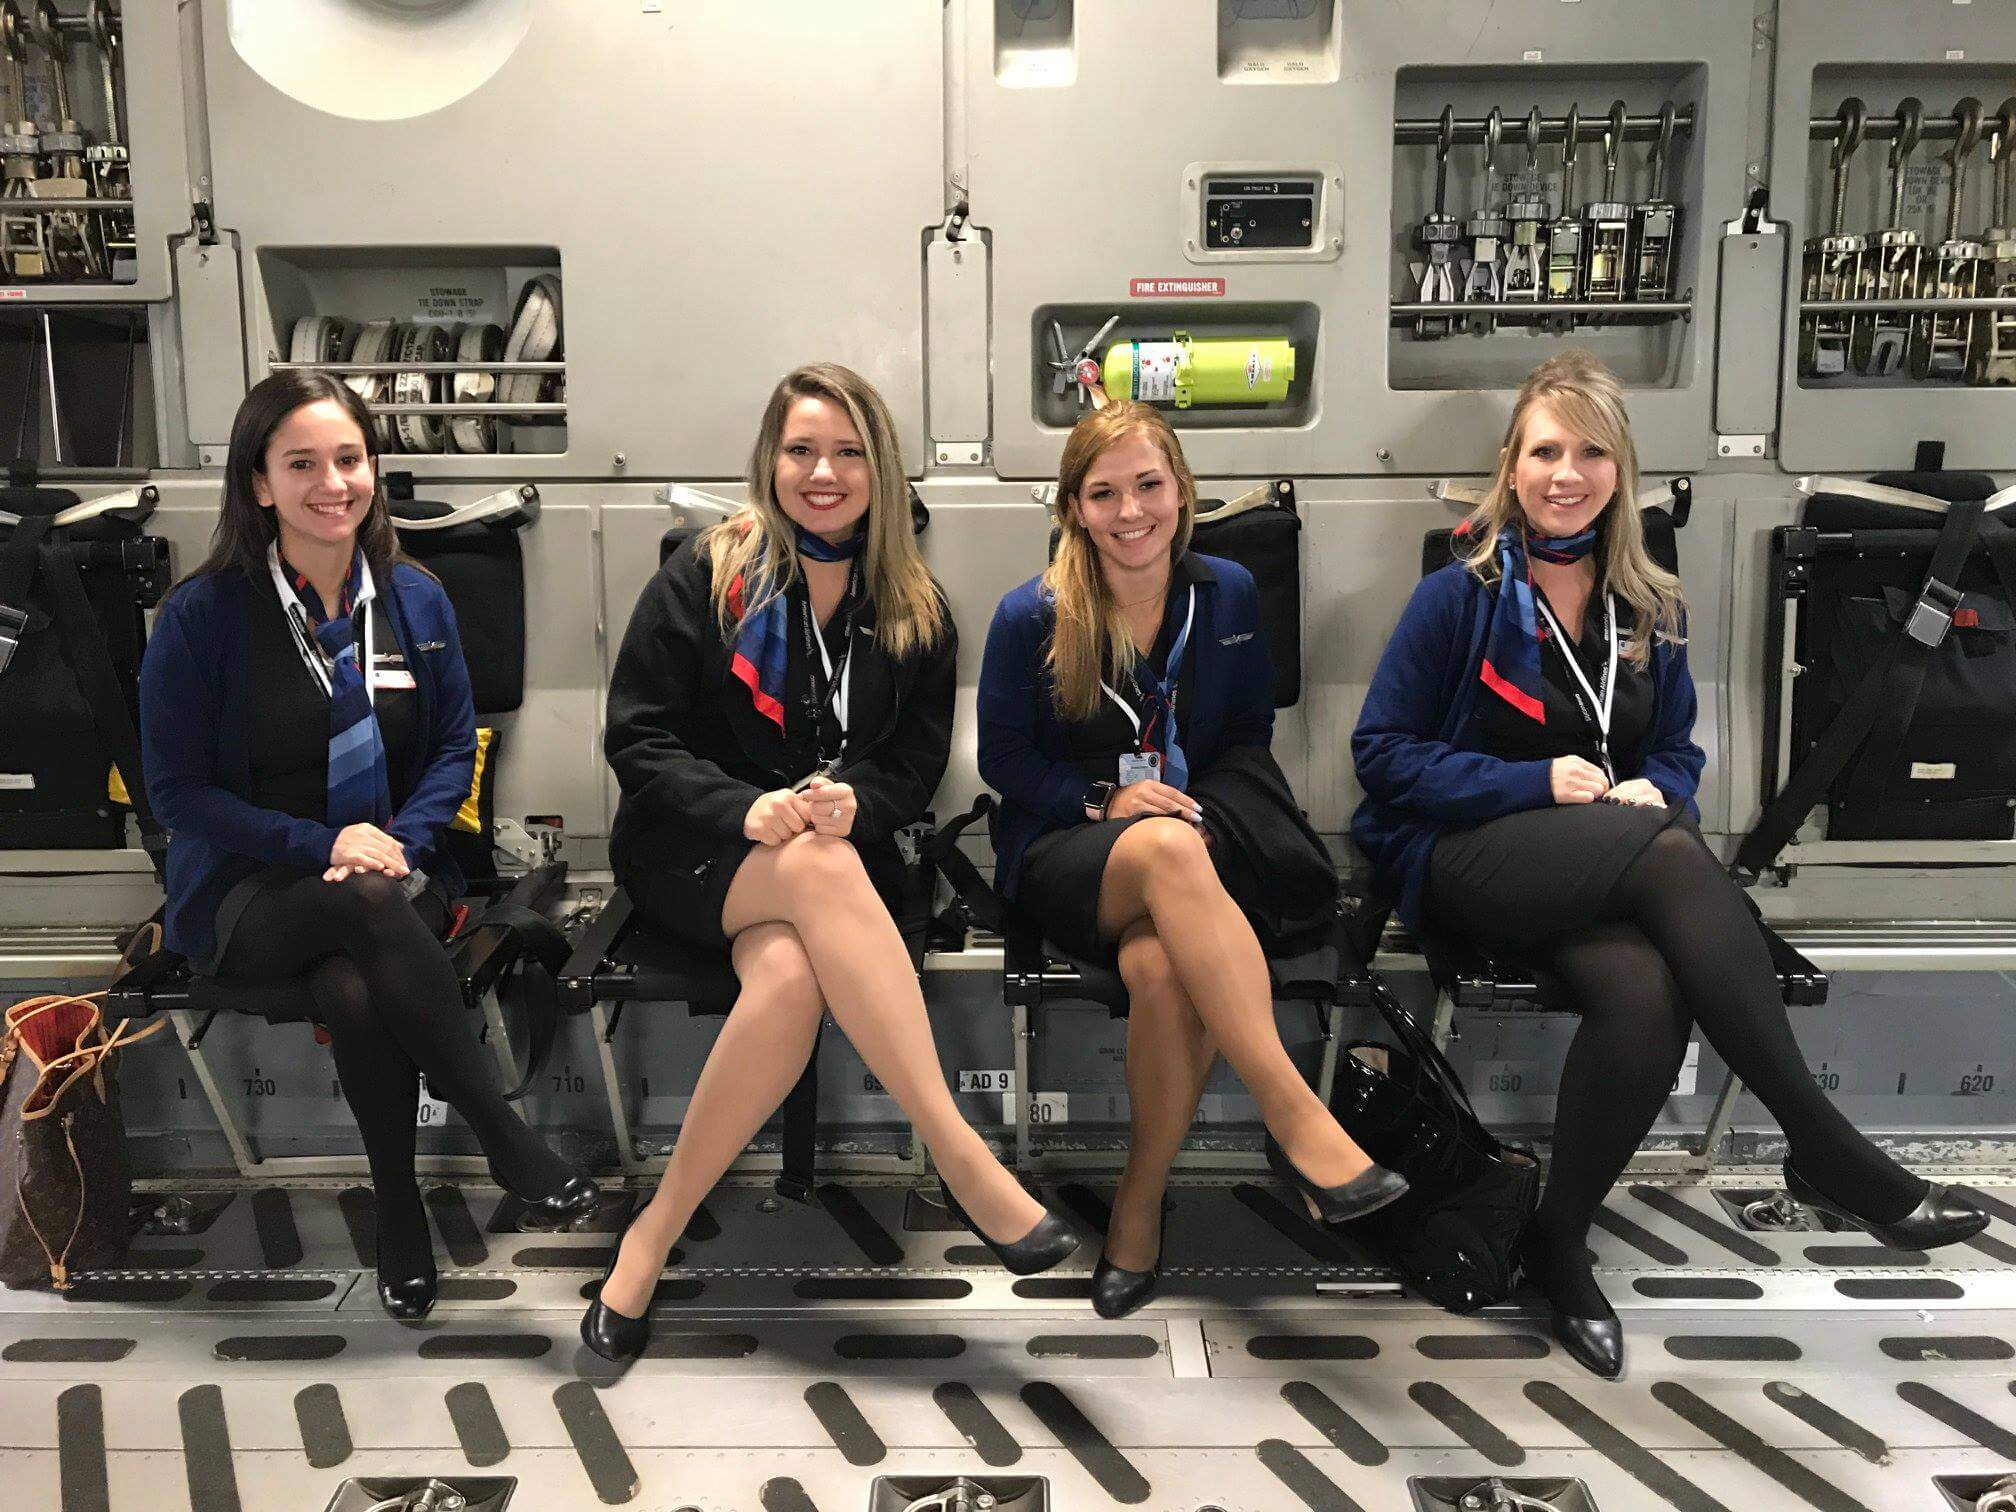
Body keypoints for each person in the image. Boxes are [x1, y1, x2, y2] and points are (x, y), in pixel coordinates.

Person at [1351, 350, 1987, 1379]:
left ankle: (1560, 1242)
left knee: (1647, 993)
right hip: (1467, 860)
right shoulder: (1458, 596)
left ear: (1621, 470)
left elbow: (1678, 753)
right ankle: (1825, 1146)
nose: (1567, 474)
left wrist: (1659, 788)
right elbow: (1382, 757)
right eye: (1545, 452)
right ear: (1511, 466)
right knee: (1669, 856)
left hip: (1609, 863)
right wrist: (1530, 782)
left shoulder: (1650, 604)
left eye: (1591, 452)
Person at [583, 362, 1079, 1363]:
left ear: (880, 470)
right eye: (802, 450)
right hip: (694, 847)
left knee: (790, 977)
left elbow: (914, 764)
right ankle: (962, 1155)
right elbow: (638, 737)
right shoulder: (705, 576)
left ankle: (649, 1238)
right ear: (769, 462)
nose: (824, 472)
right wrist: (744, 806)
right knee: (815, 867)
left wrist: (860, 799)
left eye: (848, 452)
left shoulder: (915, 604)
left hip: (833, 861)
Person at [139, 372, 599, 1321]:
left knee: (353, 982)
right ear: (259, 482)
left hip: (395, 873)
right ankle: (504, 1135)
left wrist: (395, 844)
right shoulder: (203, 616)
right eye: (301, 464)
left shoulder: (416, 599)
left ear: (374, 469)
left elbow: (452, 749)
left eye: (348, 459)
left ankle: (398, 1211)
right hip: (248, 890)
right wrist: (323, 842)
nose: (332, 484)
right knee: (361, 907)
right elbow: (178, 793)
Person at [977, 400, 1408, 1321]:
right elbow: (1004, 762)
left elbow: (1246, 731)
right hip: (1066, 850)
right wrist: (1106, 800)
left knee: (1162, 967)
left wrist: (1198, 805)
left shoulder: (1230, 594)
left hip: (1187, 842)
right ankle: (1297, 1116)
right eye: (1103, 494)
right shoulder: (1032, 614)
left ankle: (1136, 1210)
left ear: (1182, 491)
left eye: (1148, 485)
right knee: (1166, 850)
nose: (1130, 511)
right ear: (1073, 507)